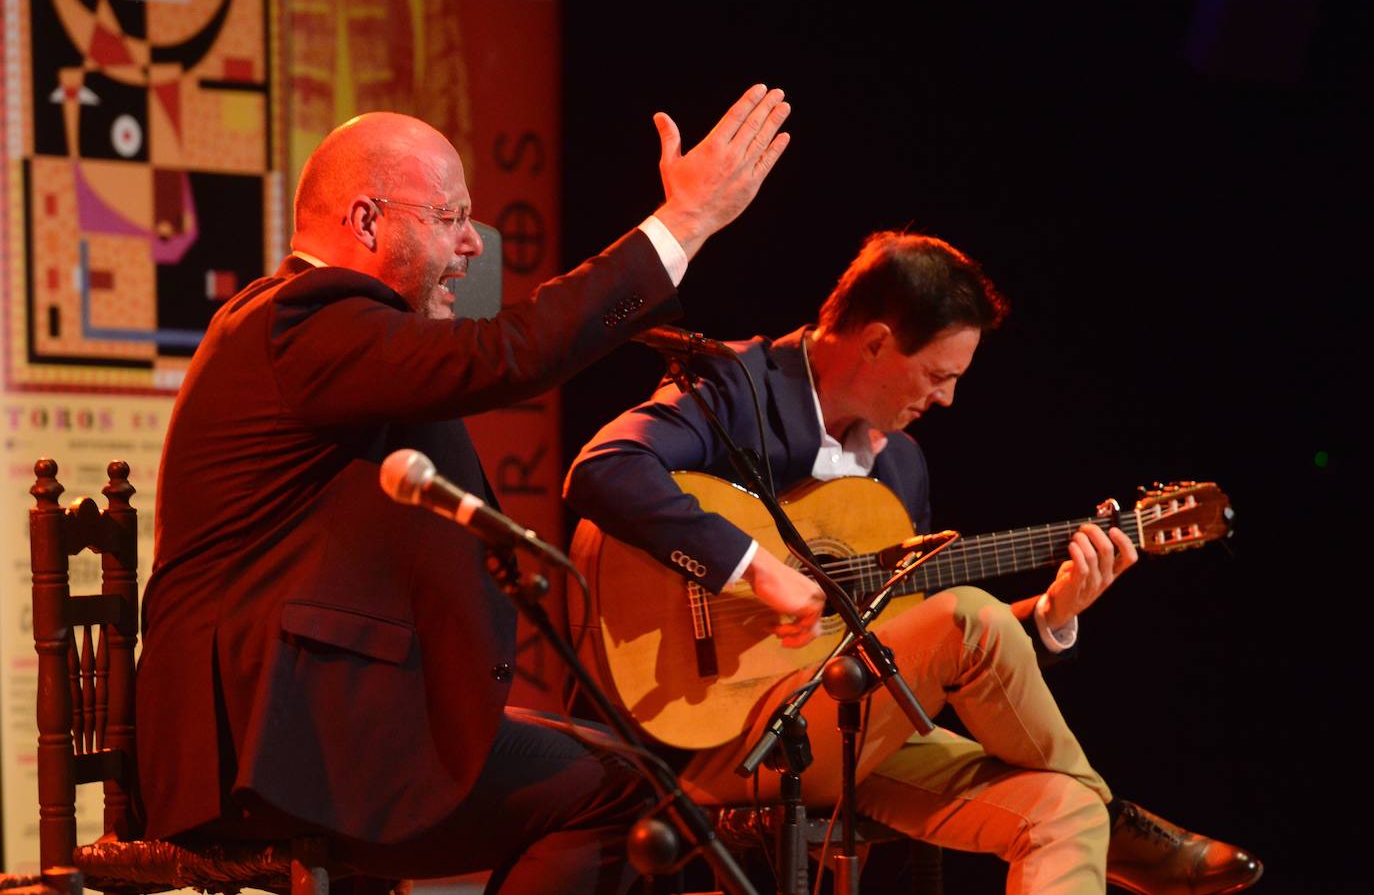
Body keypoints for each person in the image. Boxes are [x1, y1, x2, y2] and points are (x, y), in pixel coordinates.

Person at [135, 84, 791, 894]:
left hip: (311, 716)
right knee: (626, 792)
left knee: (622, 771)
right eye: (450, 218)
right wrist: (684, 223)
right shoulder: (307, 319)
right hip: (276, 739)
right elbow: (505, 353)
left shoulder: (319, 328)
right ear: (367, 220)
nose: (475, 245)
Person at [563, 231, 1264, 894]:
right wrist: (754, 566)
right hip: (711, 734)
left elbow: (912, 645)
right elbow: (605, 468)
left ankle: (1098, 817)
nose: (947, 397)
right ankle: (1124, 827)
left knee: (1062, 807)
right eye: (937, 373)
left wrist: (1054, 615)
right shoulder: (737, 389)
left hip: (844, 732)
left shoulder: (901, 464)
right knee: (967, 613)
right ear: (875, 342)